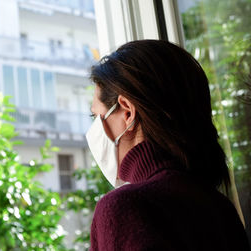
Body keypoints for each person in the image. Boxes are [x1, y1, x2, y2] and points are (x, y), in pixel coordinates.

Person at [85, 40, 250, 250]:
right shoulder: (220, 207)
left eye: (96, 117)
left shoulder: (126, 207)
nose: (94, 130)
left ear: (127, 112)